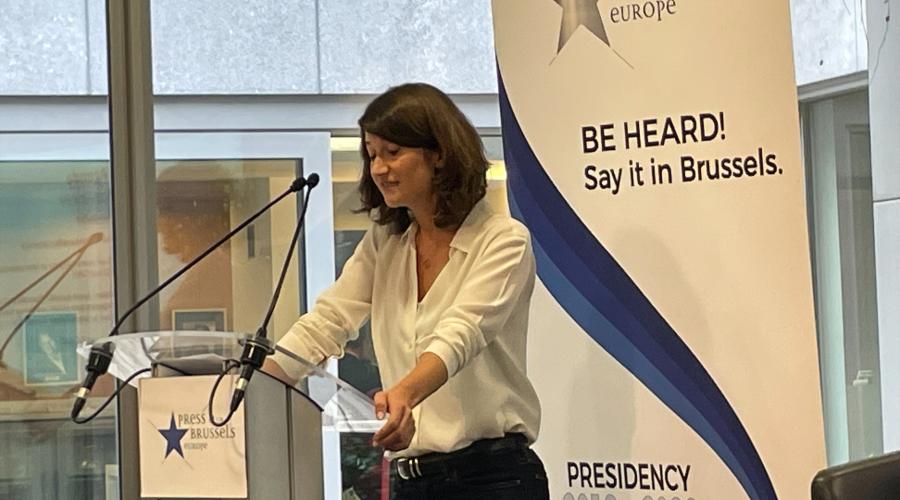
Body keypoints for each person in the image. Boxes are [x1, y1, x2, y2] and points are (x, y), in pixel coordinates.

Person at [264, 82, 548, 499]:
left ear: (439, 154)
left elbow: (461, 334)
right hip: (411, 480)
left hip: (493, 477)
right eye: (372, 154)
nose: (378, 168)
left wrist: (403, 394)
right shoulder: (386, 242)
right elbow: (328, 320)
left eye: (393, 153)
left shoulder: (503, 240)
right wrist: (257, 384)